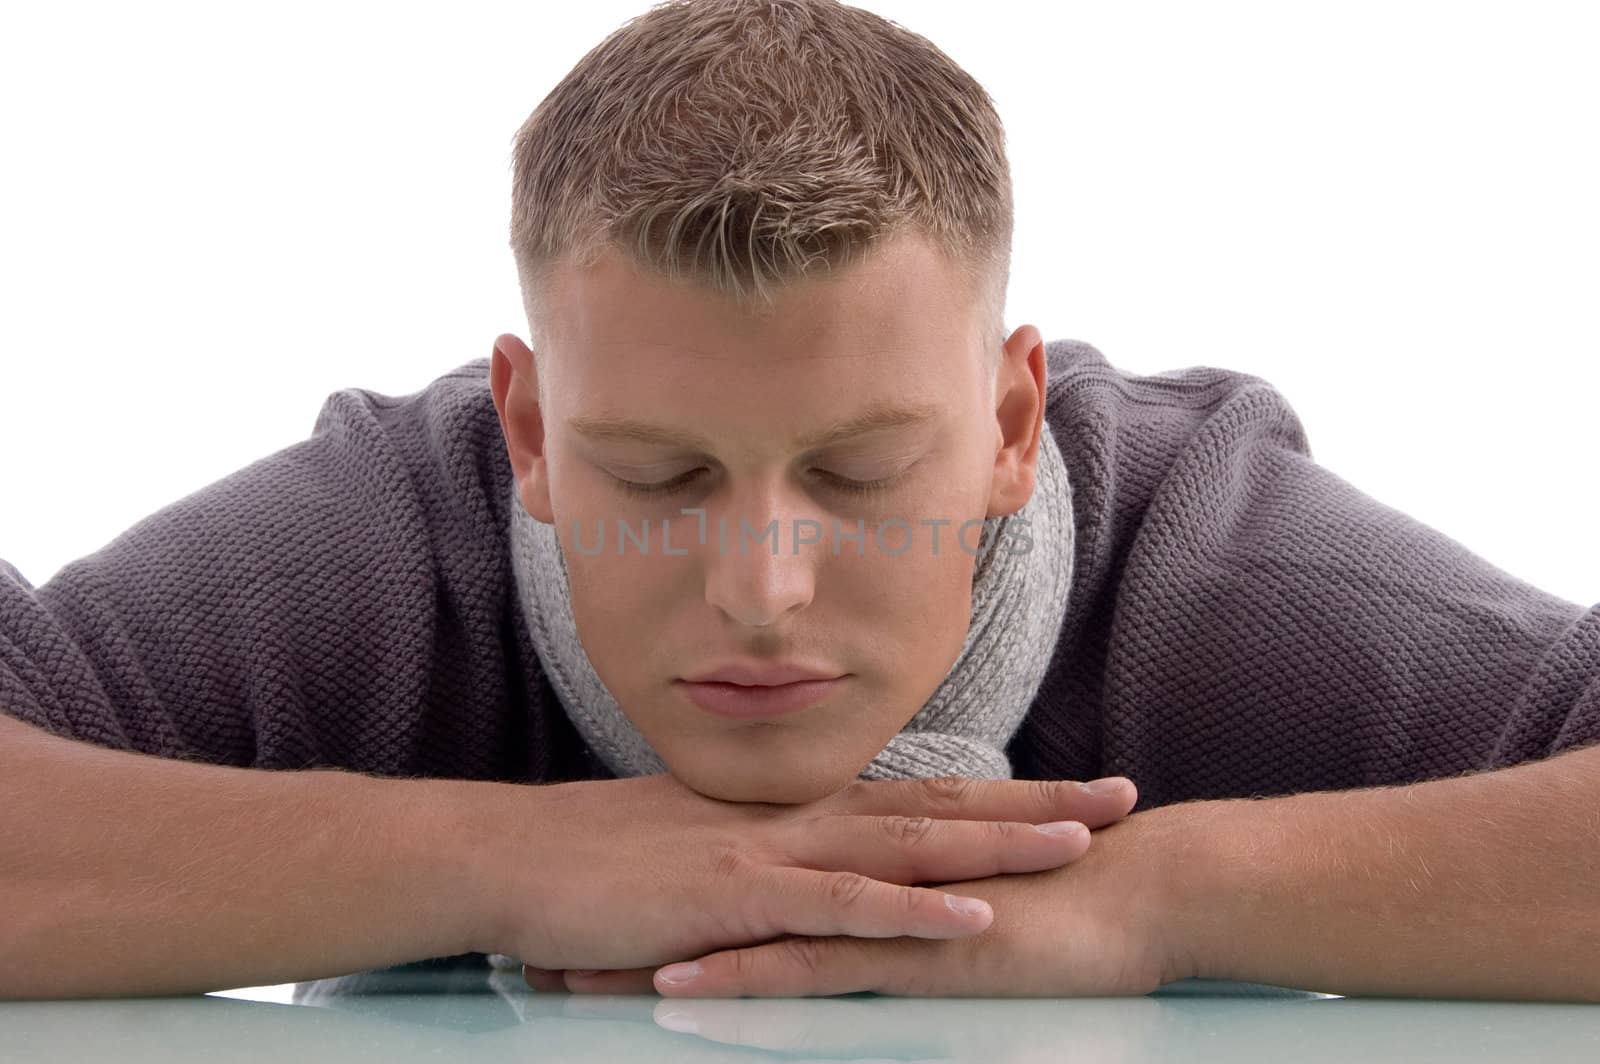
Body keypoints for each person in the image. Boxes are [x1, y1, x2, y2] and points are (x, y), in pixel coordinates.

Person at [2, 0, 1596, 1004]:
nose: (762, 586)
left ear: (1009, 424)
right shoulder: (373, 550)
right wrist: (514, 857)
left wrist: (1155, 901)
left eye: (857, 470)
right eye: (660, 474)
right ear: (533, 431)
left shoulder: (1214, 568)